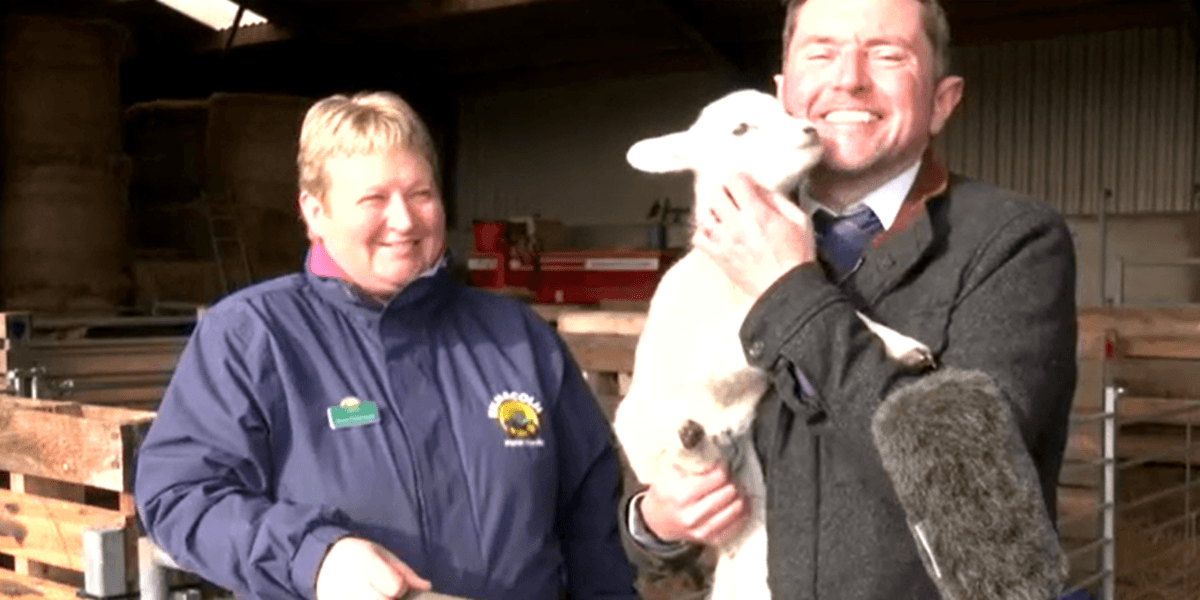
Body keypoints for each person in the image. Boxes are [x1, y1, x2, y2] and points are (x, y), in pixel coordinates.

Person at [624, 0, 1078, 598]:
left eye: (888, 54)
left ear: (942, 100)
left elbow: (977, 504)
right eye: (821, 52)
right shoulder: (703, 272)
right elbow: (661, 435)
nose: (849, 78)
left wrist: (789, 290)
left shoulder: (1011, 243)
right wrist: (655, 522)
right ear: (783, 94)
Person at [134, 91, 640, 600]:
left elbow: (591, 515)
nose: (404, 220)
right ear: (314, 212)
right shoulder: (254, 336)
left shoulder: (515, 336)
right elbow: (180, 496)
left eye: (420, 193)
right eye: (373, 199)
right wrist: (313, 556)